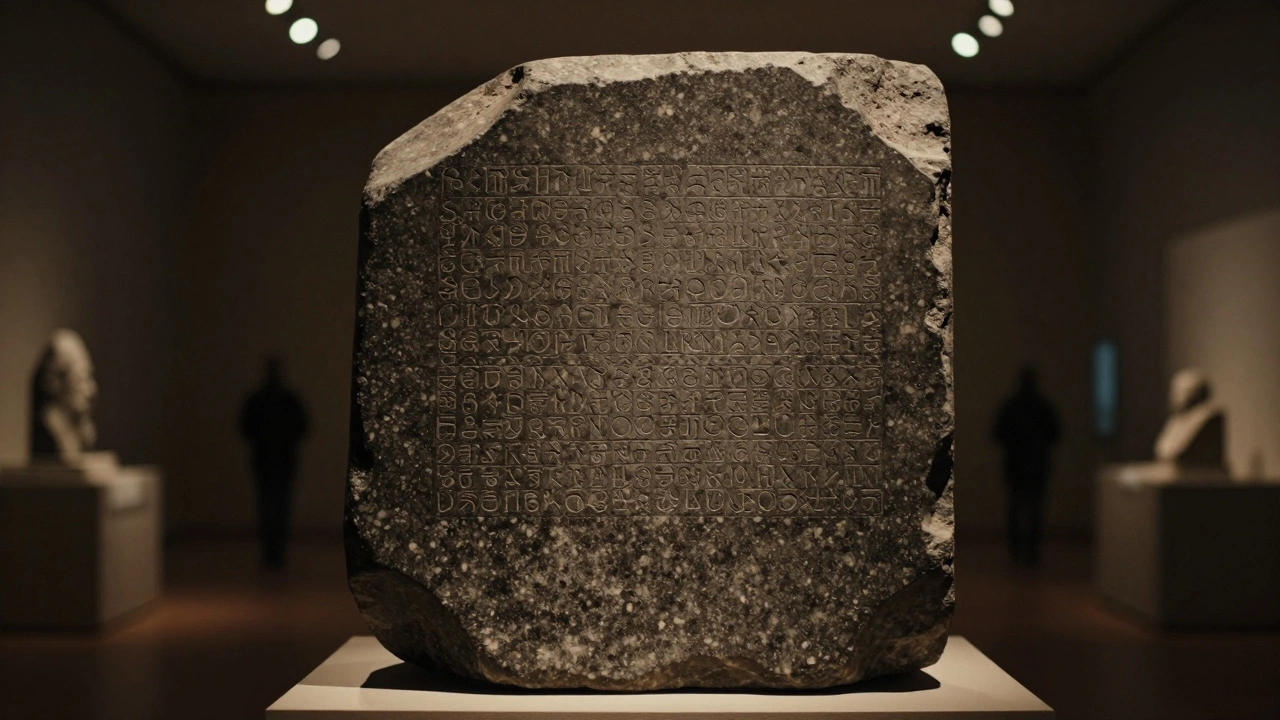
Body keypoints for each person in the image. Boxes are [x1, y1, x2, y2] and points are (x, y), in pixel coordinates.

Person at [239, 356, 309, 568]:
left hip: (269, 458)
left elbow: (245, 427)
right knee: (276, 505)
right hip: (278, 458)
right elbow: (302, 426)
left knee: (271, 505)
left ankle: (273, 552)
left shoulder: (261, 399)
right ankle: (274, 552)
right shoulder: (286, 399)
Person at [993, 366, 1061, 565]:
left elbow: (998, 433)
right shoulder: (1042, 407)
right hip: (1035, 463)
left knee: (1017, 506)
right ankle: (1030, 549)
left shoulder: (1012, 406)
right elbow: (1055, 433)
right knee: (1033, 507)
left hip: (1017, 462)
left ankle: (1017, 549)